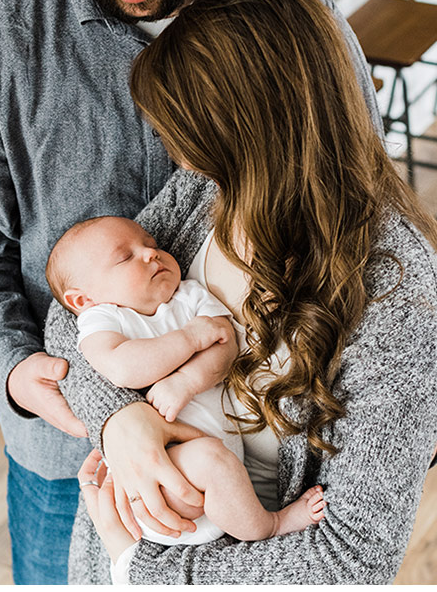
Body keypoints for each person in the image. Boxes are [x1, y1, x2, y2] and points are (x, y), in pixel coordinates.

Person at [0, 0, 380, 584]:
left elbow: (355, 218)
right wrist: (15, 370)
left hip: (260, 450)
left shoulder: (305, 27)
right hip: (68, 462)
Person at [43, 0, 437, 583]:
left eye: (191, 137)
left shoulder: (396, 289)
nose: (180, 156)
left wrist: (140, 567)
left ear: (255, 136)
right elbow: (74, 314)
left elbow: (350, 559)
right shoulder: (208, 194)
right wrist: (121, 423)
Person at [45, 215, 326, 546]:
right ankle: (270, 525)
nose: (151, 254)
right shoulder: (102, 319)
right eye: (126, 256)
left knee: (216, 460)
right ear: (83, 300)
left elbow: (226, 345)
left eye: (151, 245)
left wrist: (187, 381)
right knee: (212, 459)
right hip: (164, 473)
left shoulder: (189, 295)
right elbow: (122, 367)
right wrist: (191, 338)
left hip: (216, 464)